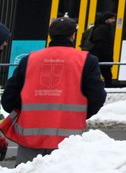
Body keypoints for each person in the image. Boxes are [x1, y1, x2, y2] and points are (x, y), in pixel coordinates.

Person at [2, 16, 106, 161]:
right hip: (68, 138)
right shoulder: (87, 60)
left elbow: (8, 99)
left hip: (30, 137)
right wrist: (79, 114)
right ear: (73, 35)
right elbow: (98, 97)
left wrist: (26, 111)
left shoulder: (29, 60)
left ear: (50, 35)